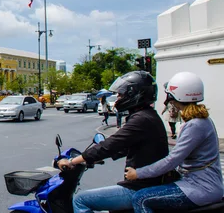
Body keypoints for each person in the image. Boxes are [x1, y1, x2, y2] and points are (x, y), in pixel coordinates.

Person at [57, 71, 170, 213]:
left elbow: (110, 145)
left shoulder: (141, 119)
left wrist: (73, 161)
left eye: (121, 94)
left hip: (141, 187)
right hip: (149, 183)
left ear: (134, 94)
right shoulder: (147, 116)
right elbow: (122, 147)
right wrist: (92, 159)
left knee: (81, 200)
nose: (118, 97)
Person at [124, 72, 224, 212]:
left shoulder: (195, 125)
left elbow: (173, 160)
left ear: (176, 97)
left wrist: (138, 173)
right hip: (201, 184)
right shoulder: (202, 120)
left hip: (201, 187)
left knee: (141, 198)